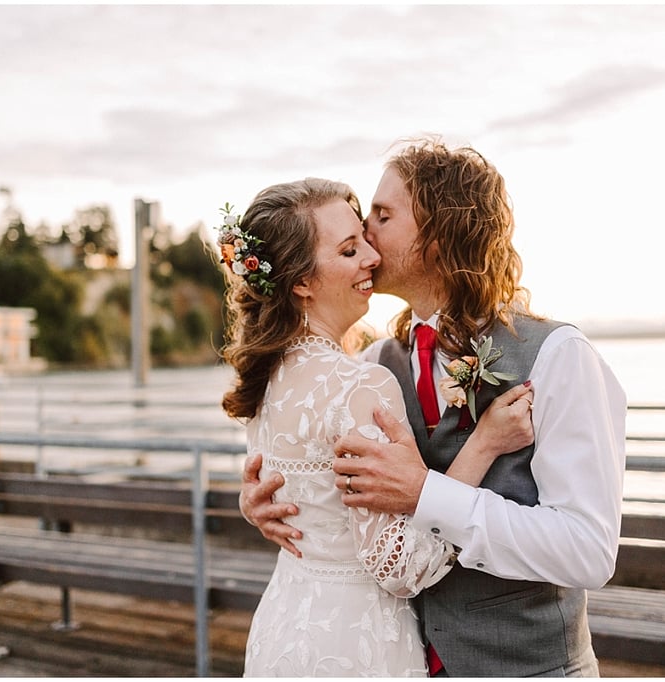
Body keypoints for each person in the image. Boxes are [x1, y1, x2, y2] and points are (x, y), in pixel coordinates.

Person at [240, 139, 627, 677]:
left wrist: (433, 496)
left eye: (382, 215)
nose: (366, 232)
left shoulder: (559, 357)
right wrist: (277, 503)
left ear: (440, 234)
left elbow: (588, 551)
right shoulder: (376, 362)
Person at [218, 177, 537, 676]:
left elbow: (300, 501)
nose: (371, 255)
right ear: (301, 282)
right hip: (355, 645)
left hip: (284, 628)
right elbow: (401, 567)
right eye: (348, 250)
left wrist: (252, 507)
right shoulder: (361, 384)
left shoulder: (265, 377)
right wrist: (486, 443)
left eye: (365, 236)